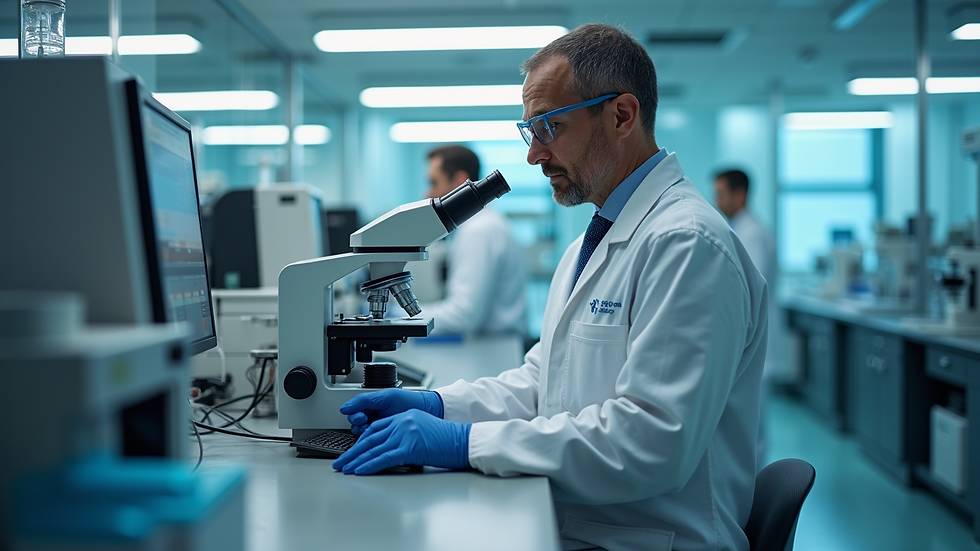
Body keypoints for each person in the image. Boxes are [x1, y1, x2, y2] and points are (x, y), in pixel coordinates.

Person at [334, 24, 768, 551]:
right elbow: (544, 383)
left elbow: (652, 443)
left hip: (655, 540)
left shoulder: (687, 244)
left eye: (550, 127)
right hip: (592, 525)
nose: (534, 155)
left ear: (622, 116)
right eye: (530, 131)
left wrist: (464, 441)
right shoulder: (597, 238)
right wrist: (439, 406)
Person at [412, 145, 527, 336]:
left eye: (434, 183)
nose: (427, 194)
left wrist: (394, 317)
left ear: (459, 181)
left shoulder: (479, 231)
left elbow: (463, 316)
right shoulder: (480, 225)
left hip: (495, 351)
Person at [714, 169, 782, 467]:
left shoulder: (752, 234)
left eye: (721, 194)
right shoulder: (741, 230)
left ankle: (754, 499)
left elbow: (745, 292)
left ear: (739, 194)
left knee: (752, 429)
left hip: (757, 345)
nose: (717, 201)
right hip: (751, 341)